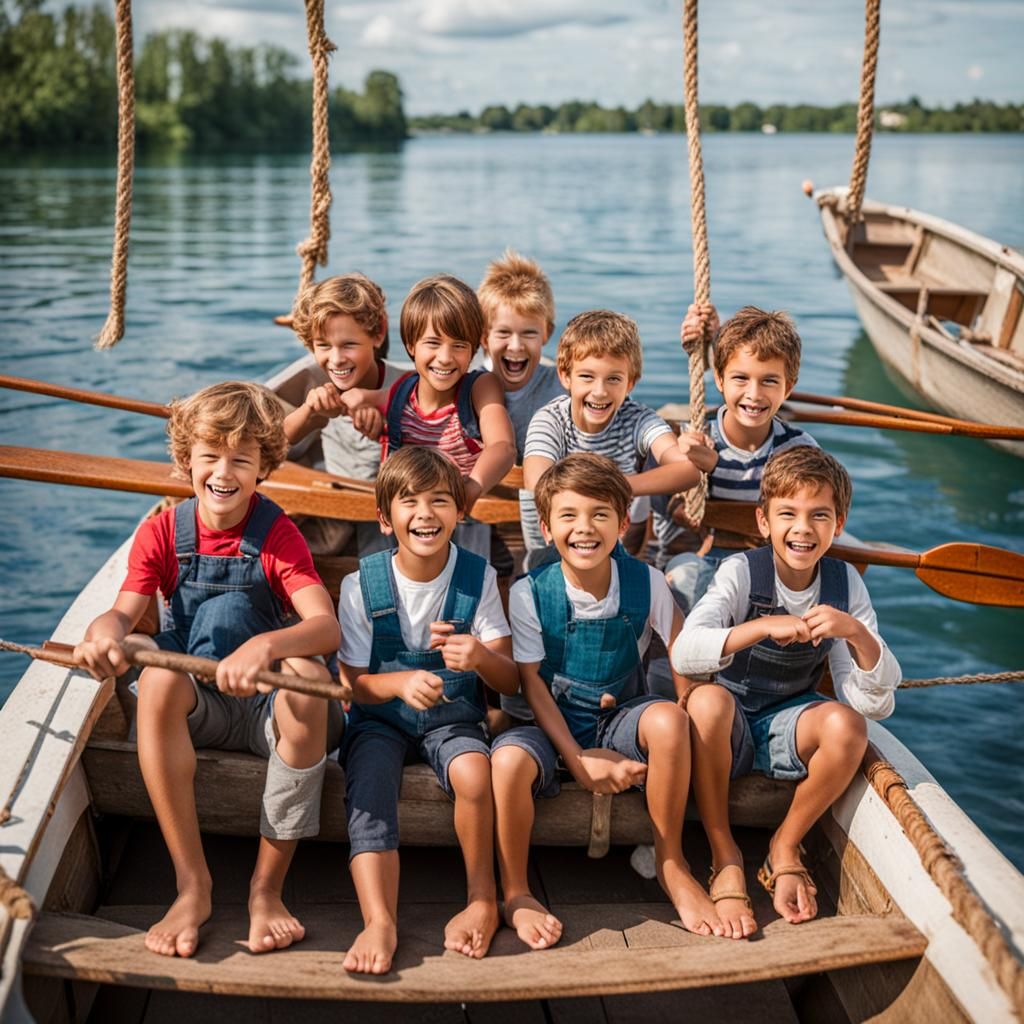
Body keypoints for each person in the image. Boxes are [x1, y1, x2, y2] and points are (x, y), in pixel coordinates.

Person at [74, 381, 344, 958]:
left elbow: (325, 627)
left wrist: (266, 647)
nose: (224, 472)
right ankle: (192, 885)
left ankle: (266, 890)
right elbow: (122, 614)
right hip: (207, 708)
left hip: (275, 714)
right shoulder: (162, 532)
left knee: (308, 672)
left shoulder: (277, 533)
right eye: (210, 456)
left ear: (264, 468)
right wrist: (102, 634)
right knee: (159, 677)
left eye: (242, 459)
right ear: (185, 462)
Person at [491, 453, 726, 949]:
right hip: (549, 722)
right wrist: (576, 762)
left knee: (666, 721)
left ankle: (671, 862)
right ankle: (515, 891)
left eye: (600, 515)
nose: (585, 529)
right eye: (569, 516)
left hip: (620, 717)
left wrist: (687, 726)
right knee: (508, 760)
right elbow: (531, 685)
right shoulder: (530, 592)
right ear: (546, 527)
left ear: (622, 523)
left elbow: (682, 655)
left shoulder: (647, 582)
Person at [671, 446, 901, 933]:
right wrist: (759, 628)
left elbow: (872, 702)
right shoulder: (741, 572)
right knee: (707, 699)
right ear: (763, 521)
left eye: (819, 515)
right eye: (788, 514)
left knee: (847, 726)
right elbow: (685, 652)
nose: (803, 528)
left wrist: (855, 634)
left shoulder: (844, 587)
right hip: (725, 734)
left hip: (786, 728)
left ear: (838, 525)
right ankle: (724, 852)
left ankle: (785, 844)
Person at [336, 446, 519, 974]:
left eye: (440, 500)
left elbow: (507, 679)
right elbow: (352, 684)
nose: (425, 513)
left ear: (460, 512)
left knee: (474, 771)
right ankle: (379, 920)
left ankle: (483, 897)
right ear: (385, 519)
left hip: (455, 719)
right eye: (409, 502)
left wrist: (479, 655)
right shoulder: (360, 584)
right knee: (368, 785)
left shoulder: (478, 577)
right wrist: (396, 682)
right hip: (379, 722)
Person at [347, 273, 516, 560]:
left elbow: (503, 447)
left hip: (462, 516)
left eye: (459, 346)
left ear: (474, 349)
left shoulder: (479, 388)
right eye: (433, 343)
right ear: (411, 345)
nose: (446, 357)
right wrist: (360, 407)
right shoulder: (402, 392)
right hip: (406, 521)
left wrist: (471, 488)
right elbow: (361, 397)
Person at [659, 304, 818, 599]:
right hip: (701, 559)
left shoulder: (798, 450)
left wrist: (716, 467)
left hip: (766, 563)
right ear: (719, 379)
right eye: (741, 379)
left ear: (789, 387)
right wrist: (692, 468)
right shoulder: (693, 439)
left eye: (769, 381)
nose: (754, 394)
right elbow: (673, 513)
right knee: (683, 581)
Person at [522, 309, 699, 561]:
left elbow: (688, 470)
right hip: (553, 546)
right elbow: (535, 480)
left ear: (630, 383)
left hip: (611, 545)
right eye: (586, 377)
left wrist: (620, 487)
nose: (600, 391)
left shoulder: (638, 419)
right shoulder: (551, 420)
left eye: (613, 379)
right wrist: (603, 492)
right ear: (565, 376)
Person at [282, 272, 402, 556]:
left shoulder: (403, 384)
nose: (336, 359)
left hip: (388, 515)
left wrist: (385, 427)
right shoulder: (317, 387)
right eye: (323, 346)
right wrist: (309, 411)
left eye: (349, 345)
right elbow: (274, 444)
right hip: (335, 511)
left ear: (378, 333)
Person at [477, 249, 564, 552]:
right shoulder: (470, 388)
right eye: (503, 333)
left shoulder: (562, 388)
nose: (515, 346)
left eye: (528, 333)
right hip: (482, 518)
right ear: (483, 337)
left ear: (546, 333)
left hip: (547, 523)